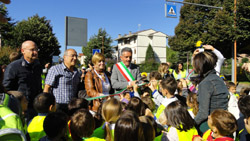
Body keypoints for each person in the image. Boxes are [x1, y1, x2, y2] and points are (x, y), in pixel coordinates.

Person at [3, 40, 42, 121]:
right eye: (32, 50)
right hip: (19, 109)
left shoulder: (37, 65)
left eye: (36, 49)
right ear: (23, 51)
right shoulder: (14, 67)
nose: (35, 52)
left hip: (35, 107)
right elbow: (6, 88)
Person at [192, 50, 229, 134]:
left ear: (200, 66)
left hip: (210, 126)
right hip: (223, 123)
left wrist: (191, 124)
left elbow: (203, 114)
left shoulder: (205, 83)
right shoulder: (219, 79)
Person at [44, 49, 80, 113]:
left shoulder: (76, 72)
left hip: (73, 107)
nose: (75, 58)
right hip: (58, 106)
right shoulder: (55, 69)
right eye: (72, 56)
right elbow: (47, 87)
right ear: (64, 57)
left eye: (76, 56)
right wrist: (46, 104)